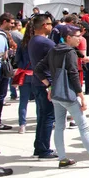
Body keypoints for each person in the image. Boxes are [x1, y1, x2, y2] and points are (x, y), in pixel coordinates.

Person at [33, 25, 89, 168]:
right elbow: (73, 74)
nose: (80, 39)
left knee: (59, 126)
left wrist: (49, 86)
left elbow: (39, 69)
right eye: (77, 36)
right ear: (68, 37)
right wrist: (81, 96)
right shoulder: (69, 52)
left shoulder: (54, 50)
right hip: (68, 95)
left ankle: (63, 158)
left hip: (57, 94)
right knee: (83, 126)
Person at [28, 14, 58, 159]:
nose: (52, 26)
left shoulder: (33, 40)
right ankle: (44, 149)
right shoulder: (45, 42)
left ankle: (40, 147)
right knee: (47, 117)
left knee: (42, 116)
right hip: (45, 83)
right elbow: (61, 52)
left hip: (38, 82)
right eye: (50, 24)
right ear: (44, 25)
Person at [14, 24, 35, 133]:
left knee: (23, 100)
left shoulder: (22, 44)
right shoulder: (38, 43)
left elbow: (17, 59)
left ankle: (22, 124)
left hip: (24, 73)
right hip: (36, 74)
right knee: (40, 101)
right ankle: (39, 122)